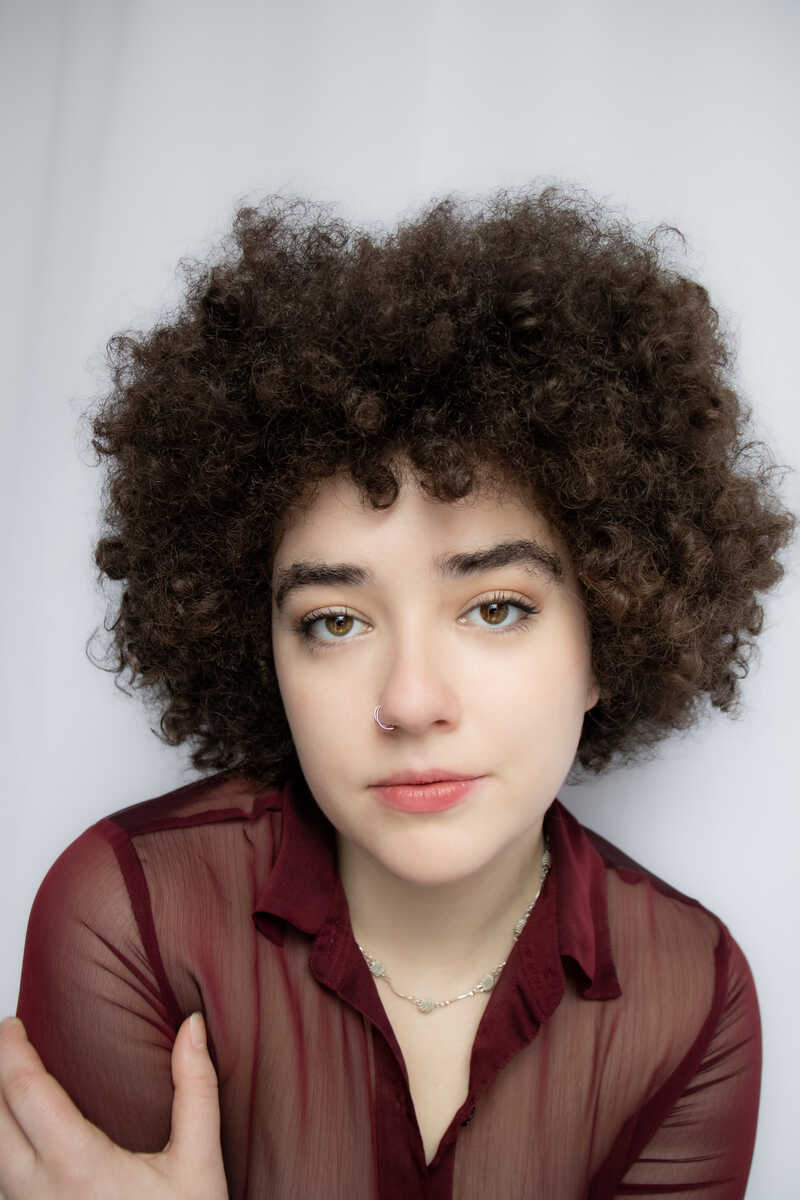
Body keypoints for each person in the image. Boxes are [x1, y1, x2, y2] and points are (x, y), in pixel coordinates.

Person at [2, 184, 794, 1199]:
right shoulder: (131, 917)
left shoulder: (691, 994)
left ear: (611, 631)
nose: (411, 702)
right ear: (263, 651)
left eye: (495, 608)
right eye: (334, 621)